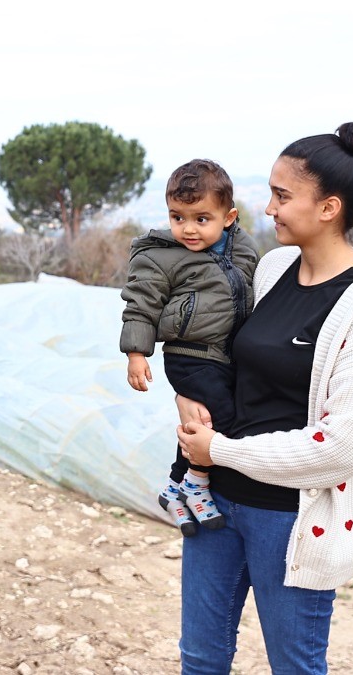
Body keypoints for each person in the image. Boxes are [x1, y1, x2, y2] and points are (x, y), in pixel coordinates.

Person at [175, 122, 353, 674]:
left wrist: (222, 451)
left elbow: (341, 446)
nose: (268, 208)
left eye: (282, 196)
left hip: (291, 519)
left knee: (294, 666)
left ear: (328, 208)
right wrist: (187, 397)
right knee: (200, 661)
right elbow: (221, 352)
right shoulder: (274, 267)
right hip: (216, 503)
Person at [119, 159, 259, 536]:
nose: (188, 228)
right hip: (190, 357)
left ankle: (174, 487)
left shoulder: (242, 249)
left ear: (228, 217)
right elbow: (140, 304)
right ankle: (196, 483)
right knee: (223, 421)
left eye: (201, 219)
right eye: (177, 217)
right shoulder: (159, 257)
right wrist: (136, 354)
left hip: (226, 357)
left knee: (206, 421)